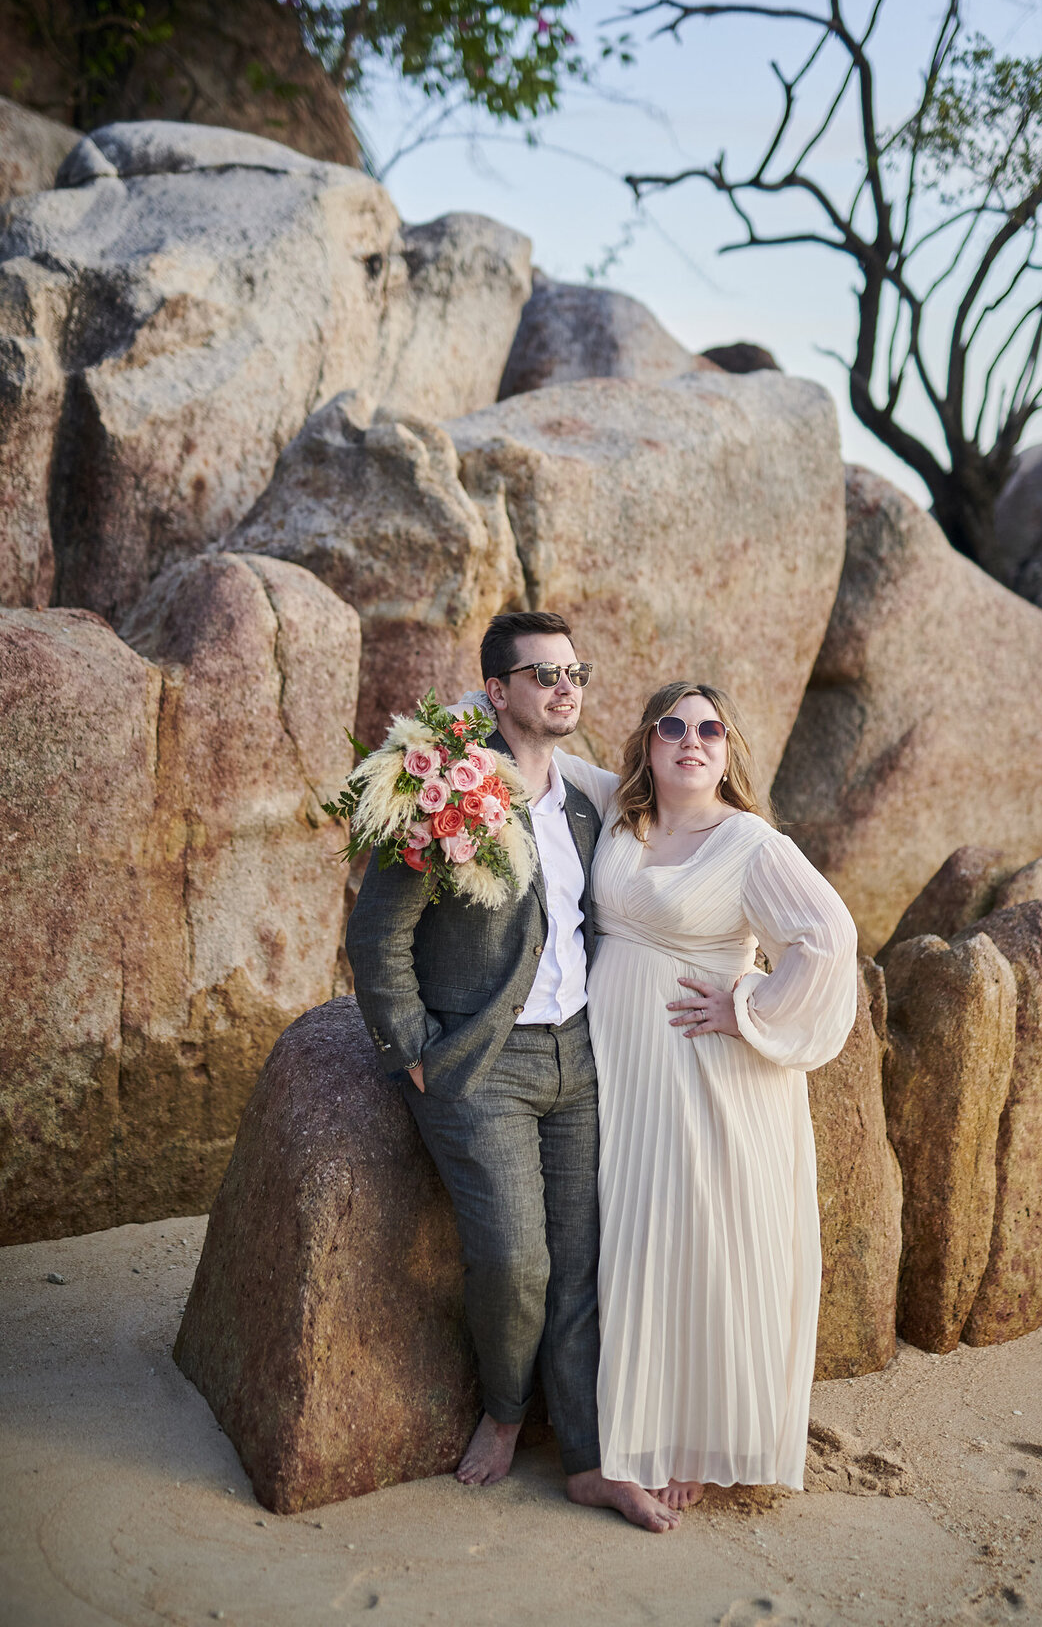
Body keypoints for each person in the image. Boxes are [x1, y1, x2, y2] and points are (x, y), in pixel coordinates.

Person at [346, 612, 682, 1534]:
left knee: (578, 1265)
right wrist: (411, 1051)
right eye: (543, 675)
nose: (565, 688)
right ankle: (503, 1412)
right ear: (497, 692)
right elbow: (376, 937)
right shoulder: (445, 796)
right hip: (479, 1064)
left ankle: (585, 1459)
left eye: (575, 671)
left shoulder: (583, 805)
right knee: (513, 1260)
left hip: (582, 1056)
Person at [556, 680, 859, 1510]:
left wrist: (748, 1005)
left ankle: (691, 1439)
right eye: (673, 726)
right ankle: (635, 1427)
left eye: (711, 729)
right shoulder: (619, 814)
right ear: (648, 745)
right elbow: (534, 754)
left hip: (704, 1071)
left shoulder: (750, 842)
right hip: (619, 1069)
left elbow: (829, 937)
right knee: (632, 1239)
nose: (692, 740)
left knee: (695, 1242)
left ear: (727, 752)